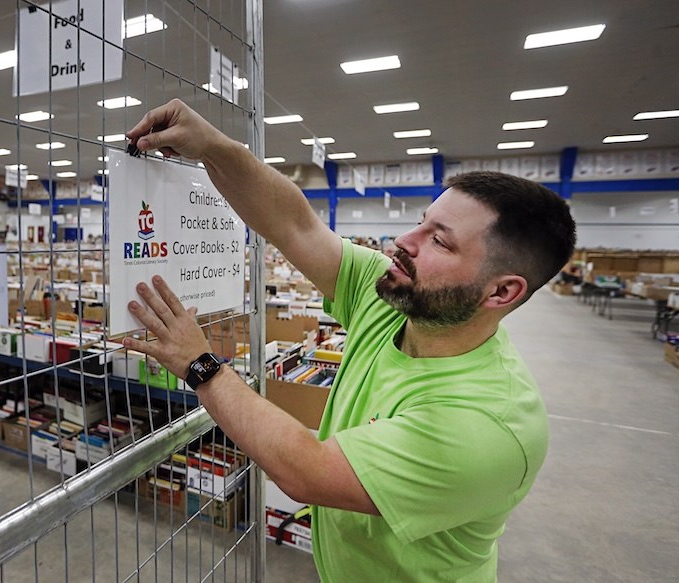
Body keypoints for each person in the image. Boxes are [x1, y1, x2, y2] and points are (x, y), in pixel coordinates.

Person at [122, 99, 576, 582]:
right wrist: (214, 146)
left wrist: (201, 364)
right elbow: (294, 224)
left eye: (439, 241)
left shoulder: (486, 426)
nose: (404, 240)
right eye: (420, 221)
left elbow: (306, 472)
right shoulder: (395, 296)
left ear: (502, 291)